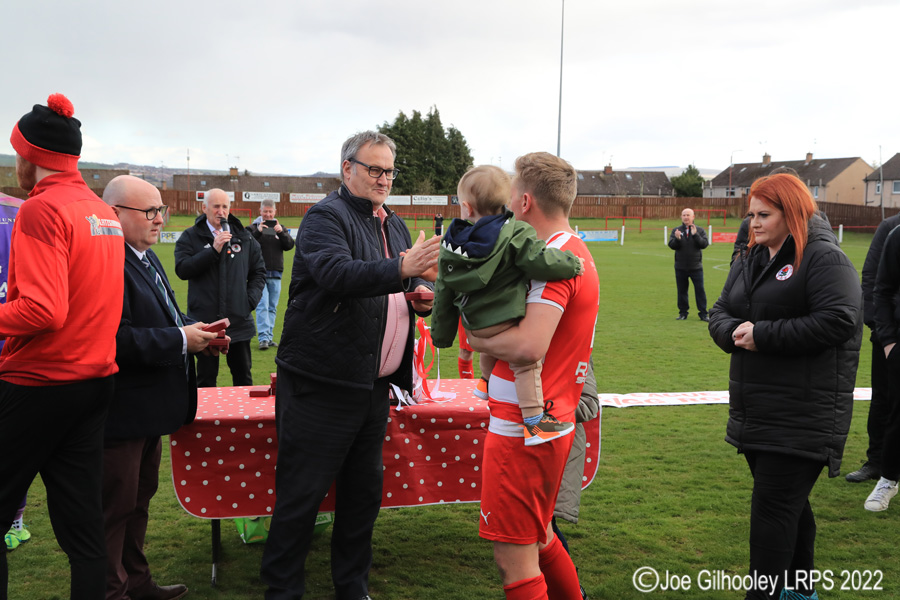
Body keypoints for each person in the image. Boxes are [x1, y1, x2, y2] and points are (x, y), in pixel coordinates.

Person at [260, 131, 440, 600]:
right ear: (347, 168)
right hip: (322, 383)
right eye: (374, 169)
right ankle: (282, 592)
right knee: (301, 498)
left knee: (362, 500)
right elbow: (337, 274)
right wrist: (403, 268)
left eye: (389, 171)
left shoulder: (394, 223)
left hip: (373, 387)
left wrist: (420, 296)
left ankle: (352, 588)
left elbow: (403, 280)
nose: (384, 179)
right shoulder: (325, 216)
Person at [708, 173, 862, 600]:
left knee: (772, 514)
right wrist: (733, 331)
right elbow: (720, 310)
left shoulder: (823, 258)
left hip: (802, 413)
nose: (753, 223)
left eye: (764, 214)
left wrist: (763, 335)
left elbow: (840, 319)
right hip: (758, 411)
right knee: (790, 508)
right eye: (750, 214)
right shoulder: (750, 256)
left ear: (790, 212)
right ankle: (800, 593)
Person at [0, 94, 125, 599]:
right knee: (81, 524)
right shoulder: (101, 211)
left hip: (40, 382)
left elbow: (42, 311)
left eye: (16, 155)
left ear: (31, 158)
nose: (14, 164)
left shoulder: (40, 209)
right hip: (94, 381)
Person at [465, 152, 599, 600]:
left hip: (525, 428)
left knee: (514, 559)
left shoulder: (555, 257)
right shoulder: (569, 251)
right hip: (542, 422)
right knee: (541, 538)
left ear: (524, 202)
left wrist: (475, 338)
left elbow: (527, 347)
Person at [102, 176, 219, 600]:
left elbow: (160, 319)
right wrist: (180, 340)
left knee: (136, 503)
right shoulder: (109, 262)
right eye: (149, 211)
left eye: (161, 210)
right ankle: (112, 591)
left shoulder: (143, 257)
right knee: (113, 512)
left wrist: (193, 332)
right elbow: (114, 338)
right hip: (123, 415)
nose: (160, 219)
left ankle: (137, 582)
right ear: (114, 215)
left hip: (148, 411)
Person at [431, 165, 583, 445]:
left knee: (490, 343)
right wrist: (571, 263)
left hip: (475, 323)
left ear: (465, 208)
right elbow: (538, 261)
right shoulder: (516, 232)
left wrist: (441, 337)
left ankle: (484, 383)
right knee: (526, 365)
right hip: (505, 318)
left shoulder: (450, 245)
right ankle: (535, 422)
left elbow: (442, 291)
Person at [174, 189, 265, 387]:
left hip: (238, 320)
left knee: (243, 378)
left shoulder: (244, 237)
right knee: (205, 380)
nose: (221, 211)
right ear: (204, 207)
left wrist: (248, 301)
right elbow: (182, 269)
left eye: (224, 206)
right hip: (204, 324)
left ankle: (243, 417)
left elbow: (259, 272)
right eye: (216, 206)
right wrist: (213, 251)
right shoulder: (190, 237)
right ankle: (205, 418)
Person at [845, 213, 900, 483]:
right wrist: (881, 329)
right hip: (889, 335)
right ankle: (876, 462)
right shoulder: (891, 227)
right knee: (883, 399)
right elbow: (872, 278)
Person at [865, 222, 900, 510]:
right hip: (895, 342)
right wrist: (888, 341)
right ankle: (887, 478)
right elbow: (881, 289)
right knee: (894, 410)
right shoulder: (895, 234)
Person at [251, 198, 295, 350]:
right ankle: (263, 338)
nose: (268, 214)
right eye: (265, 211)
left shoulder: (280, 228)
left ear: (275, 212)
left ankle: (269, 338)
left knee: (272, 307)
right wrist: (258, 232)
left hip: (276, 273)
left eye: (270, 211)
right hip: (258, 274)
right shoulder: (253, 228)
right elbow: (246, 244)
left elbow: (289, 245)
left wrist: (281, 233)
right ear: (260, 211)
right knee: (262, 305)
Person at [668, 208, 709, 321]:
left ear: (693, 217)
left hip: (696, 267)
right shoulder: (676, 230)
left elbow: (704, 244)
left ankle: (703, 314)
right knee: (682, 291)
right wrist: (677, 239)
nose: (686, 217)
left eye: (688, 215)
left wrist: (695, 235)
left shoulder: (699, 230)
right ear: (681, 217)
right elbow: (671, 245)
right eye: (684, 215)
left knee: (700, 290)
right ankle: (683, 313)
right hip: (680, 267)